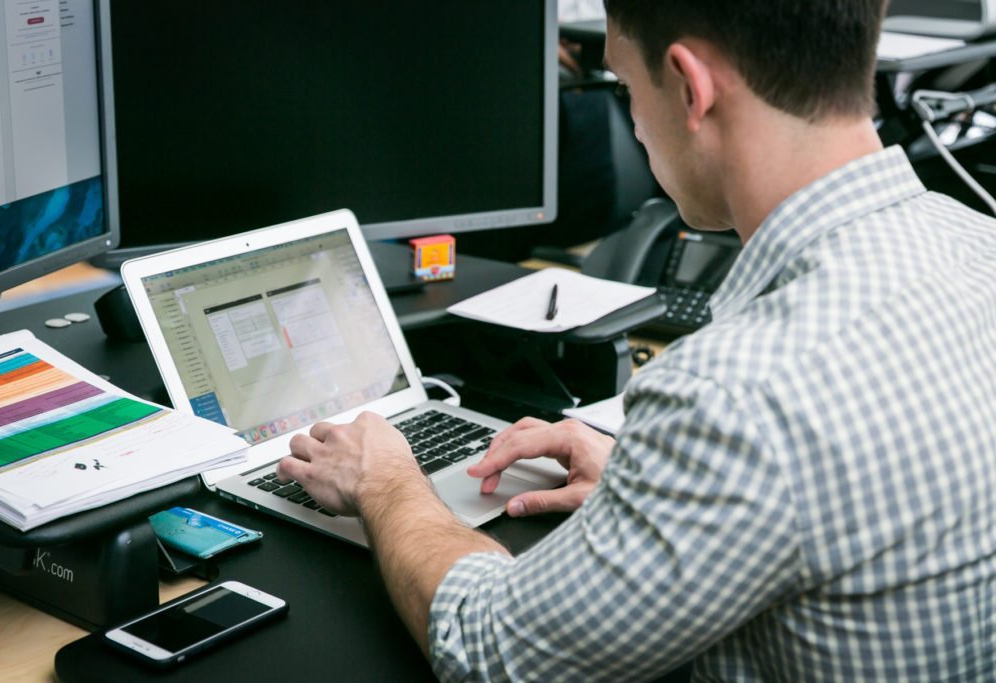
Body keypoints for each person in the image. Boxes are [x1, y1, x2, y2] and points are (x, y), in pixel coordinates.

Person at [279, 0, 996, 679]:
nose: (633, 120)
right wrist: (653, 486)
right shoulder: (979, 244)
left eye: (623, 84)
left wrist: (388, 482)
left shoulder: (733, 392)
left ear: (689, 87)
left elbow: (487, 648)